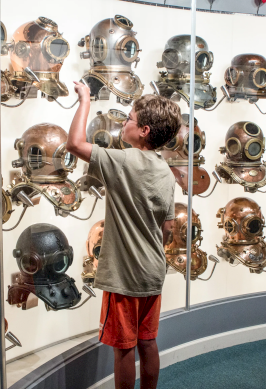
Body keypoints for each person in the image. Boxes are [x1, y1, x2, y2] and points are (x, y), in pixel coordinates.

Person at [66, 81, 182, 389]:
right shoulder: (166, 172)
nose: (124, 124)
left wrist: (85, 99)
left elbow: (75, 144)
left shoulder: (122, 161)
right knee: (148, 341)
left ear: (143, 130)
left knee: (124, 349)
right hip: (153, 273)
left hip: (124, 277)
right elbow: (167, 227)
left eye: (129, 120)